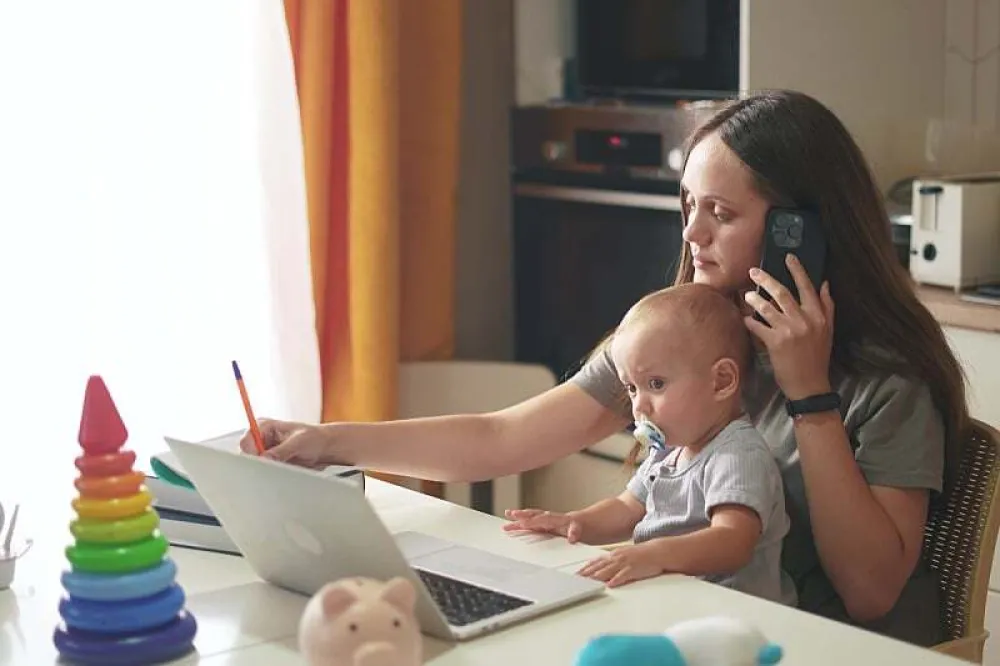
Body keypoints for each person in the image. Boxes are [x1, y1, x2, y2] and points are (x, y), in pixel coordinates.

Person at [240, 90, 969, 646]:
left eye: (720, 210)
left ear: (798, 234)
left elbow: (871, 593)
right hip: (703, 629)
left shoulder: (888, 382)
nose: (692, 232)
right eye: (689, 205)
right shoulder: (687, 339)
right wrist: (331, 440)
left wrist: (809, 394)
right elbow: (502, 438)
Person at [503, 282, 792, 603]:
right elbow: (627, 509)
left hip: (733, 615)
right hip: (674, 600)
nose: (639, 406)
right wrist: (576, 522)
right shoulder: (668, 451)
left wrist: (654, 555)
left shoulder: (737, 453)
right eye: (632, 388)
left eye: (656, 383)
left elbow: (732, 541)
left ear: (721, 381)